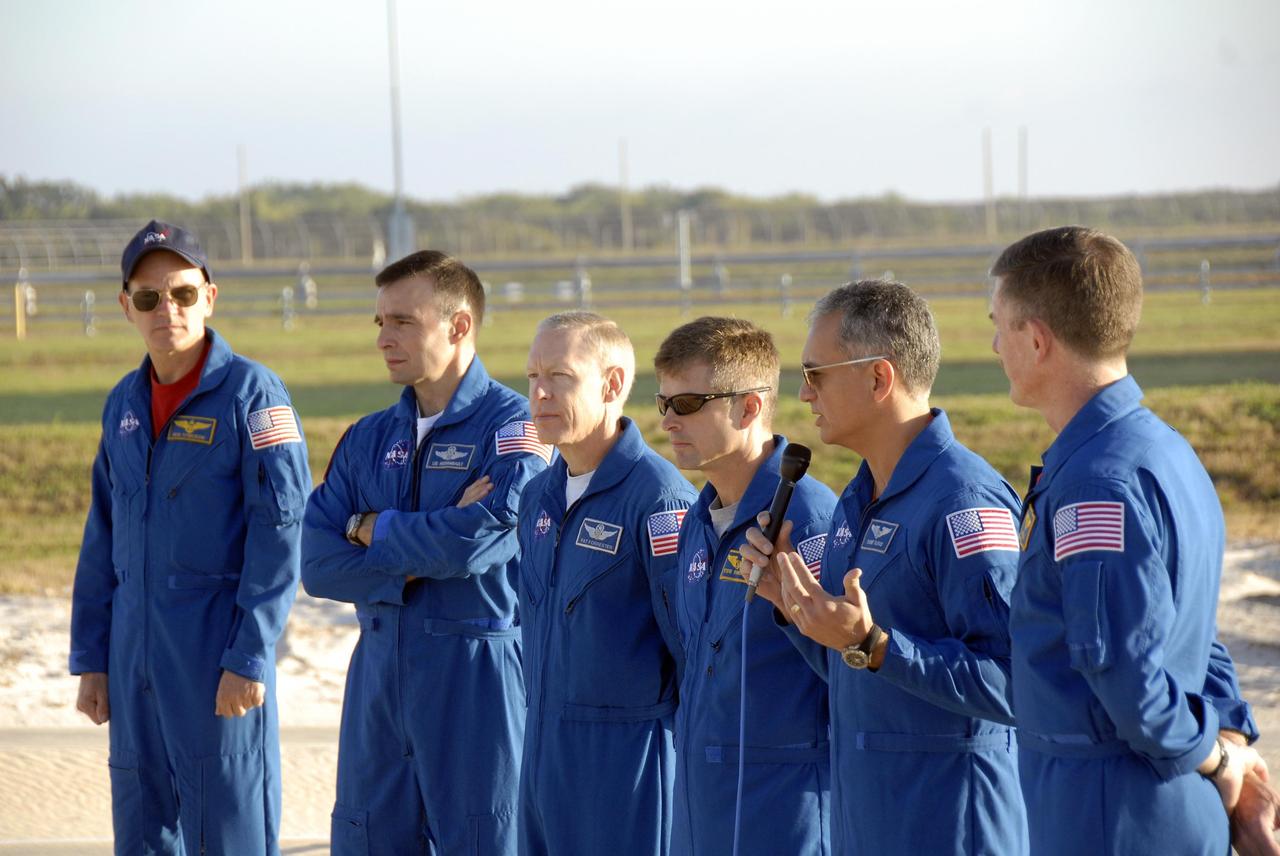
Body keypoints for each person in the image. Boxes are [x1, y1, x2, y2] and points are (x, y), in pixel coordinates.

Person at [989, 225, 1271, 855]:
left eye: (998, 325)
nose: (992, 344)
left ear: (1036, 340)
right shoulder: (1163, 450)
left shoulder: (1097, 483)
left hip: (1110, 816)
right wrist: (1230, 739)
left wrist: (1222, 764)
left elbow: (1129, 681)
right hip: (1150, 805)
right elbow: (1198, 636)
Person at [742, 280, 1028, 854]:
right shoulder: (858, 496)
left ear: (878, 377)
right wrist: (796, 610)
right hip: (869, 819)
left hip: (951, 824)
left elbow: (1018, 681)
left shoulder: (964, 501)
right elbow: (855, 673)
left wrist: (875, 644)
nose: (802, 394)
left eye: (815, 373)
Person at [70, 220, 310, 855]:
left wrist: (250, 655)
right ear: (127, 307)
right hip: (133, 656)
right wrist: (92, 658)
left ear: (209, 295)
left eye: (180, 293)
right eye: (148, 298)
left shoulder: (254, 395)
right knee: (142, 832)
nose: (165, 310)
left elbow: (281, 532)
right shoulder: (122, 404)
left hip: (214, 655)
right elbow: (103, 534)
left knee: (229, 832)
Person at [301, 250, 551, 855]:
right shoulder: (367, 438)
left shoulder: (519, 427)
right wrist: (414, 548)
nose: (385, 338)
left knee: (484, 839)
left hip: (478, 677)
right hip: (379, 677)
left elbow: (480, 541)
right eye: (380, 322)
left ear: (459, 326)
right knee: (368, 838)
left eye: (403, 322)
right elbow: (316, 562)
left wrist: (368, 528)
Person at [654, 317, 836, 855]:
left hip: (784, 811)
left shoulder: (808, 518)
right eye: (663, 403)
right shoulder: (696, 519)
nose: (667, 421)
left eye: (686, 404)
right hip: (702, 805)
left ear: (749, 407)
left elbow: (843, 669)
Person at [516, 312, 696, 856]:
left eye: (561, 377)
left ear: (612, 384)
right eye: (532, 377)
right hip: (543, 752)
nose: (540, 392)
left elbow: (689, 650)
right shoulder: (537, 497)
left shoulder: (660, 502)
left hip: (628, 765)